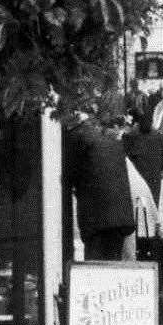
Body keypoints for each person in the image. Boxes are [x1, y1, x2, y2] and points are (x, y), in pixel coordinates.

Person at [62, 110, 136, 261]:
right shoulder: (108, 139)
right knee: (112, 262)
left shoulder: (75, 138)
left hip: (97, 217)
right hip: (121, 215)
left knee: (95, 265)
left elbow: (67, 177)